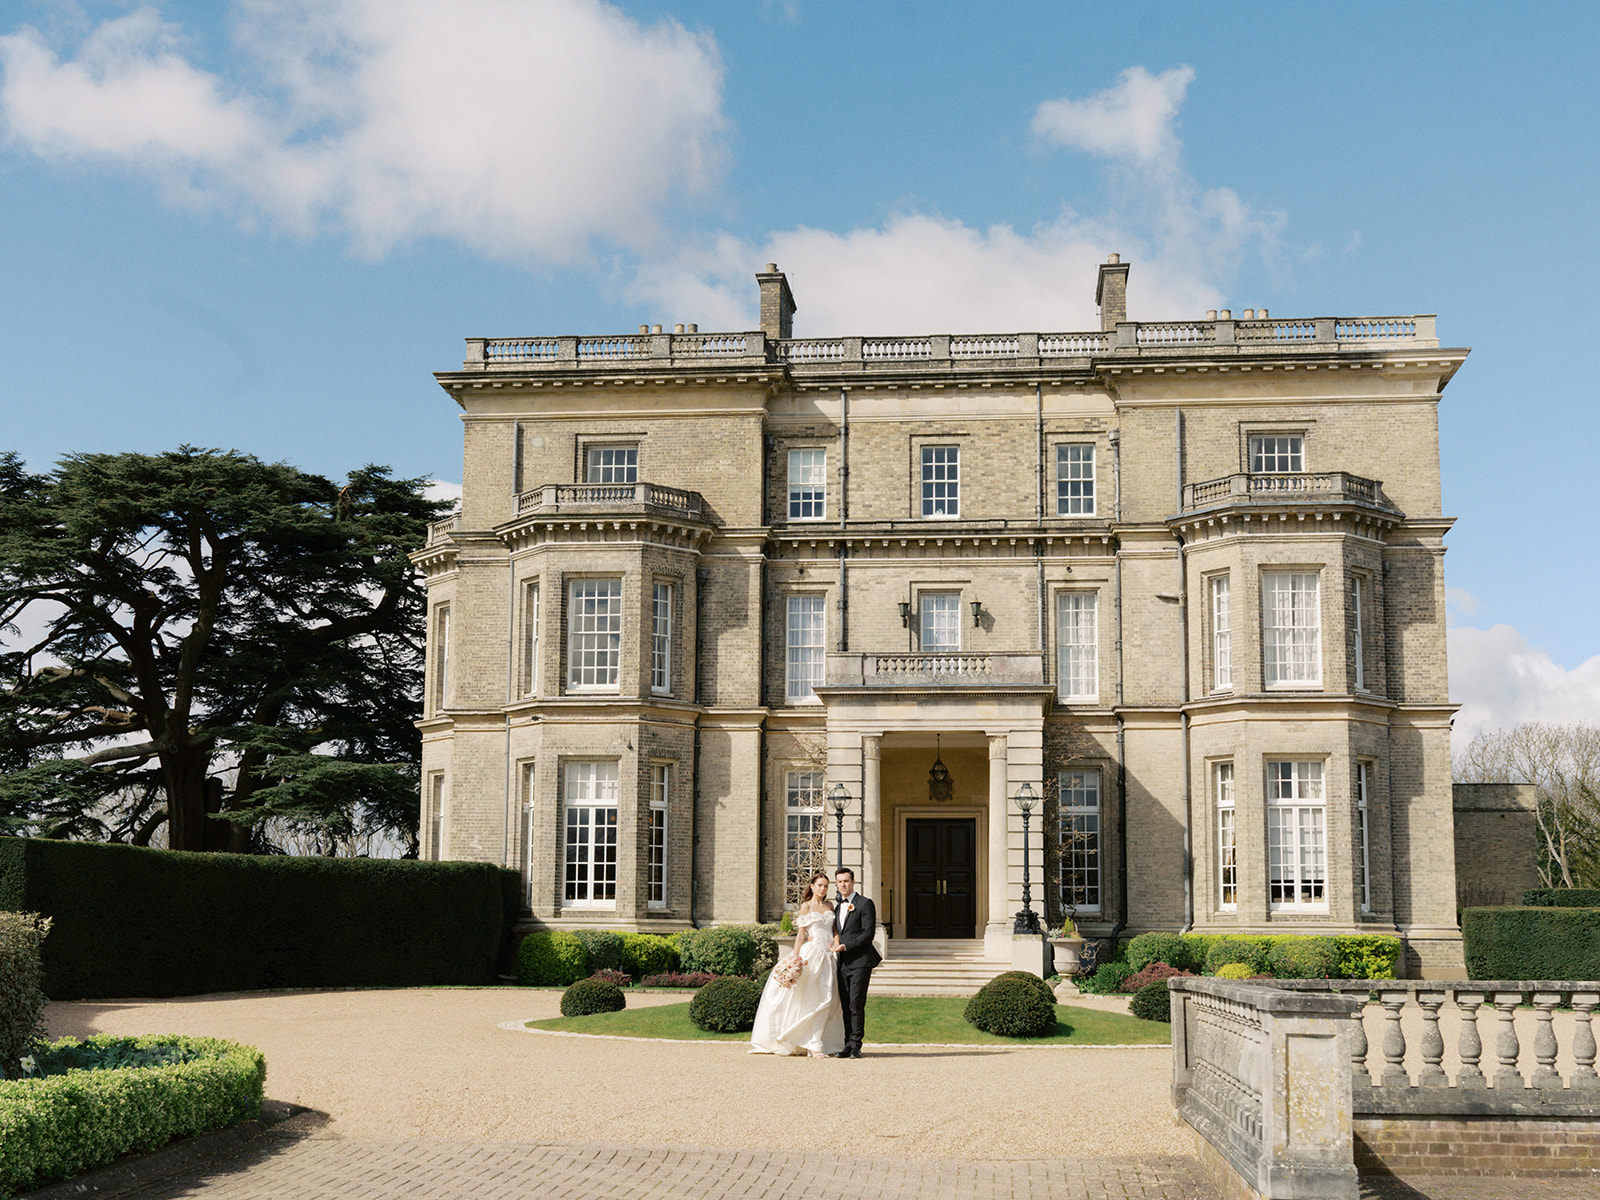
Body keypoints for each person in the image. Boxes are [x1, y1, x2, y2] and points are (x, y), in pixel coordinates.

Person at [749, 872, 846, 1057]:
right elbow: (801, 934)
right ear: (812, 886)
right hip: (811, 955)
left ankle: (817, 1041)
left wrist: (835, 943)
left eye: (826, 886)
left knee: (828, 999)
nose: (823, 889)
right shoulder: (806, 906)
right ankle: (811, 1043)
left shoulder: (830, 905)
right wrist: (795, 956)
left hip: (828, 957)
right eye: (820, 885)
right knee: (809, 998)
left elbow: (834, 930)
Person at [829, 867, 881, 1058]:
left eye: (846, 881)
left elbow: (868, 933)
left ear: (853, 882)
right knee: (845, 1004)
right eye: (839, 882)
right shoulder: (837, 907)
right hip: (842, 962)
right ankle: (847, 1044)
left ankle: (856, 1045)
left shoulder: (865, 903)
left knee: (856, 1002)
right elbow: (836, 932)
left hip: (860, 960)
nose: (843, 885)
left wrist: (845, 946)